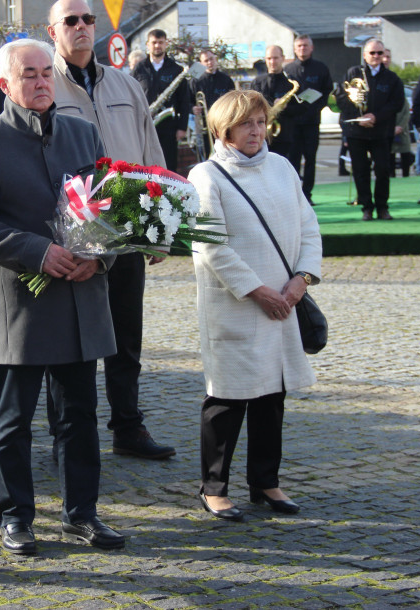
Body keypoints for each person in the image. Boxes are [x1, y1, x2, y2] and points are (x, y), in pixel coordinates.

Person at [0, 39, 124, 555]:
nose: (41, 81)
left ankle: (82, 513)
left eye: (46, 72)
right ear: (4, 83)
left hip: (79, 295)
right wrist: (37, 252)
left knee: (78, 415)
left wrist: (102, 254)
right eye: (28, 74)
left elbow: (110, 204)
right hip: (23, 301)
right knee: (14, 420)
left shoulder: (82, 131)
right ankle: (16, 516)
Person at [48, 0, 174, 460]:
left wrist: (160, 227)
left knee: (126, 336)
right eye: (70, 21)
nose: (81, 27)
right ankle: (67, 435)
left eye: (87, 19)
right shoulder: (44, 86)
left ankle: (128, 426)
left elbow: (150, 152)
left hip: (124, 228)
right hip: (72, 238)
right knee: (68, 341)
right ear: (53, 32)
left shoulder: (126, 83)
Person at [187, 89, 321, 521]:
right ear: (223, 128)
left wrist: (301, 279)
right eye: (247, 123)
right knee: (228, 397)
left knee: (272, 395)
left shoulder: (281, 166)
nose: (256, 131)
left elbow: (308, 224)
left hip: (284, 299)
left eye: (261, 122)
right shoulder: (205, 175)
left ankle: (266, 481)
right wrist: (257, 290)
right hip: (236, 303)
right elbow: (210, 244)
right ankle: (213, 487)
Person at [334, 38, 404, 221]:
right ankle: (366, 207)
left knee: (382, 170)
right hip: (357, 131)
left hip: (380, 131)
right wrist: (359, 118)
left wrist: (375, 117)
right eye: (372, 53)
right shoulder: (353, 73)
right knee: (360, 170)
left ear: (384, 55)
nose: (376, 56)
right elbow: (341, 97)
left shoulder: (392, 78)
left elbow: (396, 103)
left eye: (379, 53)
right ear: (365, 55)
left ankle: (382, 207)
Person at [132, 29, 191, 172]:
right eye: (154, 42)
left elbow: (184, 100)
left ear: (166, 44)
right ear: (147, 45)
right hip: (144, 124)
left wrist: (182, 128)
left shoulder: (176, 69)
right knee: (145, 164)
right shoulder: (139, 69)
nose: (157, 46)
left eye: (160, 42)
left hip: (168, 127)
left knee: (168, 165)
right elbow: (131, 95)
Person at [284, 35, 333, 202]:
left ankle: (308, 194)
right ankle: (296, 194)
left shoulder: (321, 68)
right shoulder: (288, 70)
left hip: (312, 121)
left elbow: (327, 91)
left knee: (310, 158)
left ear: (311, 48)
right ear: (295, 49)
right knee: (293, 160)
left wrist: (315, 108)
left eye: (305, 46)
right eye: (299, 46)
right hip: (293, 123)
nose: (302, 49)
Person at [250, 45, 306, 164]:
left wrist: (286, 108)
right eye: (269, 58)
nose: (272, 62)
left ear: (283, 58)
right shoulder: (257, 82)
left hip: (287, 135)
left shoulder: (292, 83)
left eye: (275, 58)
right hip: (262, 136)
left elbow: (302, 108)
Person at [382, 49, 414, 178]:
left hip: (401, 128)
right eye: (383, 56)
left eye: (388, 57)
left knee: (405, 154)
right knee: (387, 157)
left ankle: (405, 177)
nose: (385, 59)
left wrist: (400, 125)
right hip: (384, 127)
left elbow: (405, 107)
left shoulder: (395, 79)